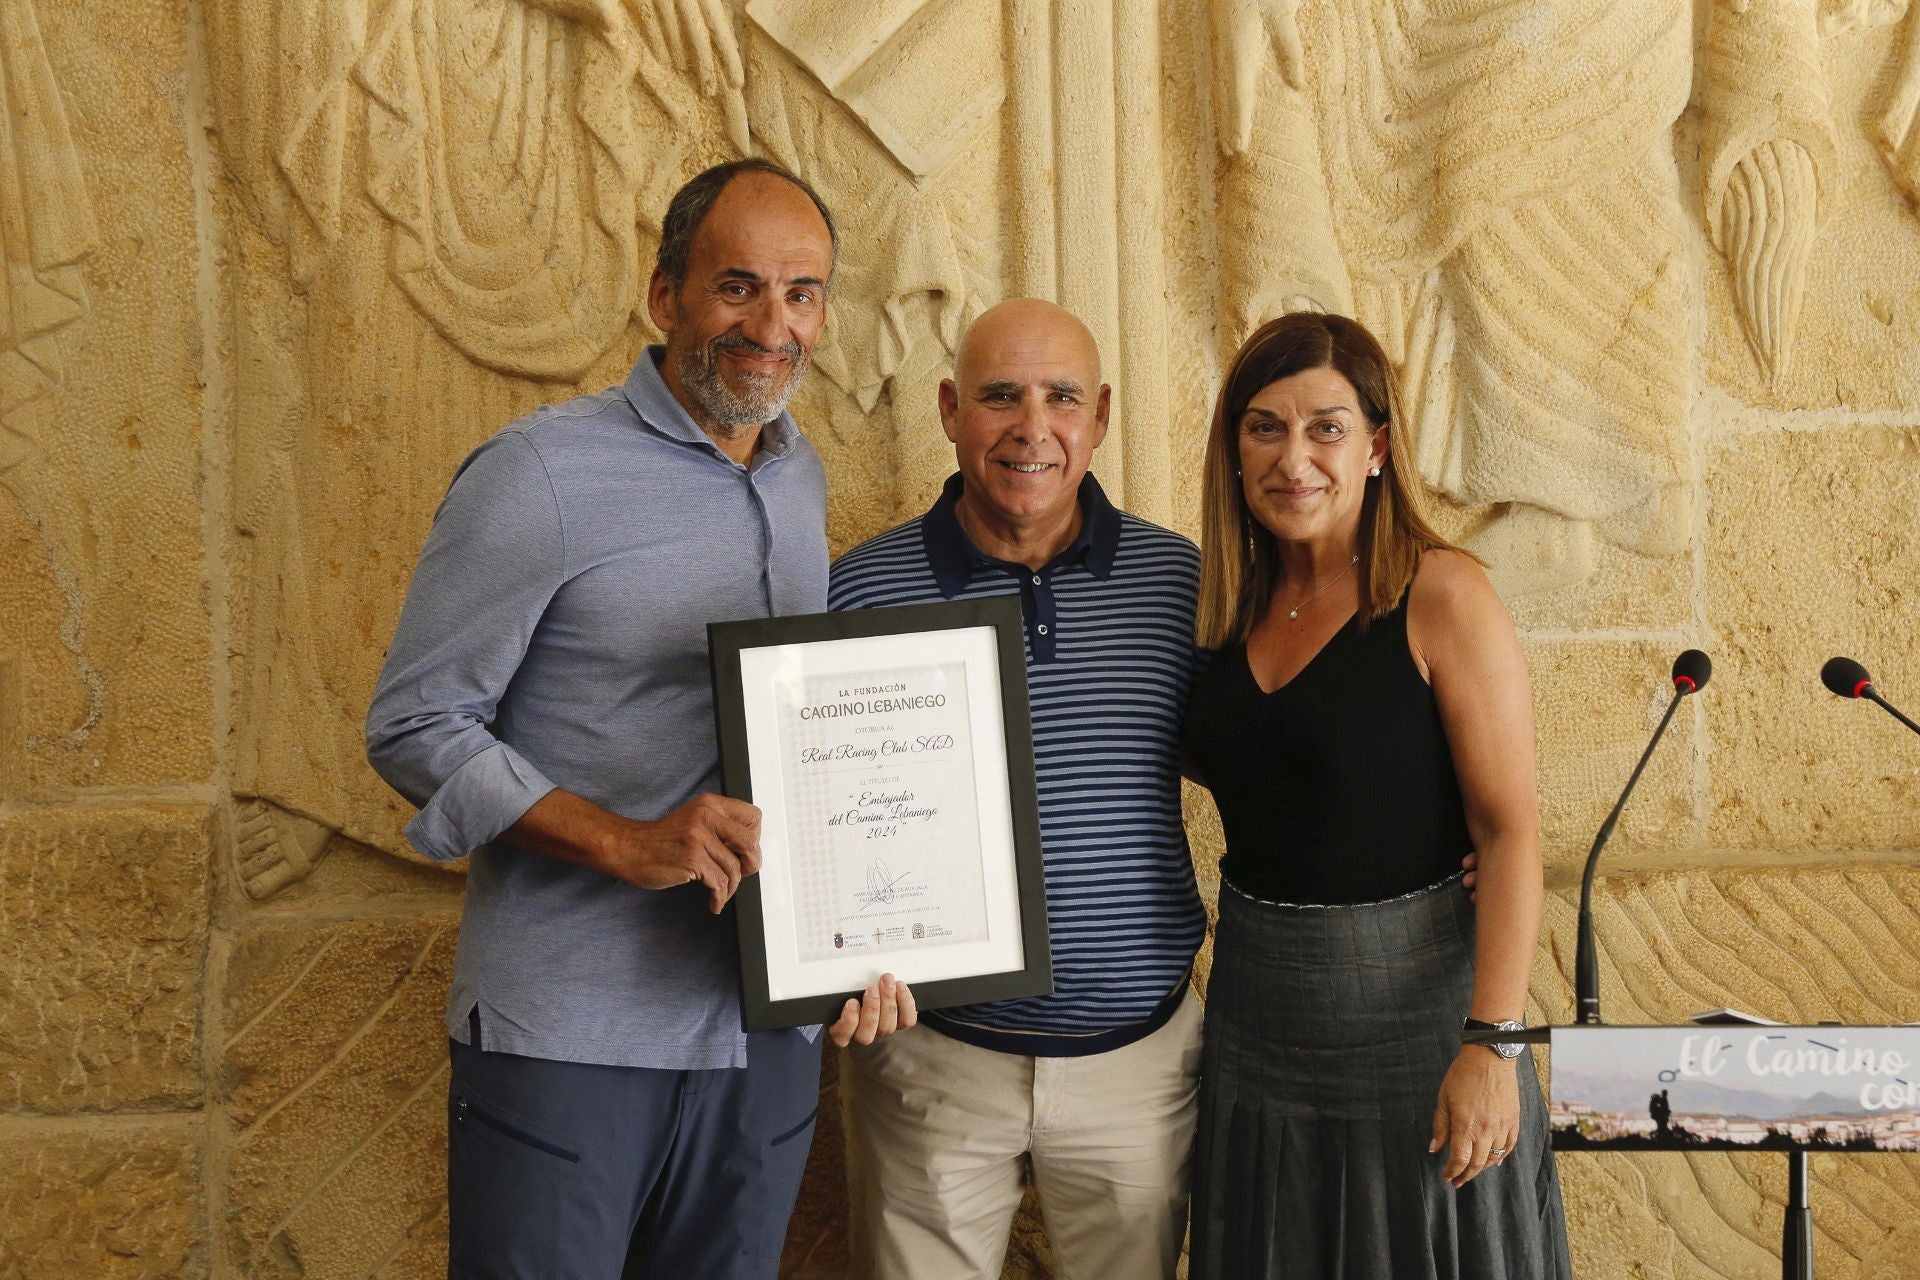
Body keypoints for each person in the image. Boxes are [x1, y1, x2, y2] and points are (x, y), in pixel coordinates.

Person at [364, 158, 913, 1280]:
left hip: (761, 1041)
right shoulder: (540, 474)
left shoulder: (800, 480)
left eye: (802, 293)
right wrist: (624, 839)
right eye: (738, 287)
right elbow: (415, 722)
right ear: (667, 298)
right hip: (574, 1034)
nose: (773, 324)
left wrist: (866, 934)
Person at [1182, 312, 1571, 1277]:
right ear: (1234, 448)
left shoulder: (1440, 593)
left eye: (1327, 427)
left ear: (1378, 449)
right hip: (1257, 1020)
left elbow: (1511, 829)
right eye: (1264, 426)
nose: (1293, 457)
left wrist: (1496, 1044)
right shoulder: (1221, 606)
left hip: (1419, 1027)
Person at [830, 298, 1208, 1280]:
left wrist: (1417, 850)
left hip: (1140, 1060)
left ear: (1102, 416)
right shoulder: (859, 593)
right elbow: (817, 824)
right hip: (931, 1060)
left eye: (1061, 397)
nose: (1031, 426)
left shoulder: (1184, 585)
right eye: (1000, 395)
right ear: (951, 409)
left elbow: (1280, 758)